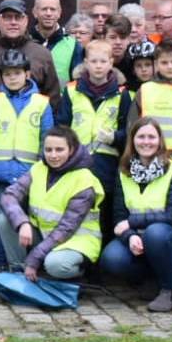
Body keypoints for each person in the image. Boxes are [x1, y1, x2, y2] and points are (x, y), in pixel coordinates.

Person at [98, 118, 172, 313]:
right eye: (141, 136)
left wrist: (132, 223)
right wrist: (131, 236)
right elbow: (119, 217)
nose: (146, 142)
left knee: (156, 233)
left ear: (160, 140)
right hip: (140, 239)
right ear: (132, 140)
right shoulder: (123, 171)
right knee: (112, 258)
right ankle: (151, 279)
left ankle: (169, 291)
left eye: (151, 137)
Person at [0, 49, 55, 268]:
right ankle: (2, 266)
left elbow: (47, 142)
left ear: (27, 74)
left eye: (17, 73)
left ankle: (27, 266)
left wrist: (44, 172)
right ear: (1, 76)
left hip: (30, 176)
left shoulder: (41, 103)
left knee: (29, 222)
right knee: (1, 223)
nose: (12, 77)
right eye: (7, 74)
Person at [0, 127, 104, 283]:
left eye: (59, 149)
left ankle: (79, 275)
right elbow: (9, 196)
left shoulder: (84, 180)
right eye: (48, 150)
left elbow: (66, 229)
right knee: (5, 219)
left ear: (71, 149)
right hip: (46, 236)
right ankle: (19, 273)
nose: (53, 155)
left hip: (76, 242)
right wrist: (22, 222)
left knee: (55, 265)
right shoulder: (39, 168)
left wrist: (34, 259)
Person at [54, 40, 129, 241]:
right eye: (93, 61)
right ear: (85, 62)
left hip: (107, 165)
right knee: (76, 210)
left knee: (104, 214)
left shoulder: (122, 94)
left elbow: (128, 132)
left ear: (111, 63)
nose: (98, 66)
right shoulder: (71, 91)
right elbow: (62, 126)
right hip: (76, 164)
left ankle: (101, 266)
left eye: (103, 61)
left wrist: (115, 137)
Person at [128, 38, 172, 172]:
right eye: (164, 62)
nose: (170, 66)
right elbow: (132, 128)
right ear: (156, 64)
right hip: (149, 160)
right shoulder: (145, 91)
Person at [29, 0, 83, 85]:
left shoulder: (73, 45)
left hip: (60, 99)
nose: (48, 13)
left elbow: (78, 83)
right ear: (35, 12)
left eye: (53, 9)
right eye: (44, 9)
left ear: (59, 13)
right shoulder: (24, 42)